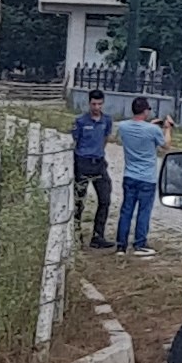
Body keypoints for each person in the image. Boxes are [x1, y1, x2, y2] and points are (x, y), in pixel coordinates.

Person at [113, 96, 168, 255]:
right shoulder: (153, 130)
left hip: (129, 175)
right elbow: (166, 146)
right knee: (143, 211)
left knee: (126, 211)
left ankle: (121, 245)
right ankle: (139, 244)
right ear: (145, 111)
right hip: (147, 178)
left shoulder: (123, 126)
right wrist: (167, 128)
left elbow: (134, 131)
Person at [70, 89, 115, 247]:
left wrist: (99, 154)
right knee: (79, 200)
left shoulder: (107, 120)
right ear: (89, 103)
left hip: (99, 163)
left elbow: (105, 139)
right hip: (83, 163)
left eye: (100, 104)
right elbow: (74, 143)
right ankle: (76, 234)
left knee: (105, 199)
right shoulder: (81, 121)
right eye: (94, 104)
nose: (97, 107)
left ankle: (98, 236)